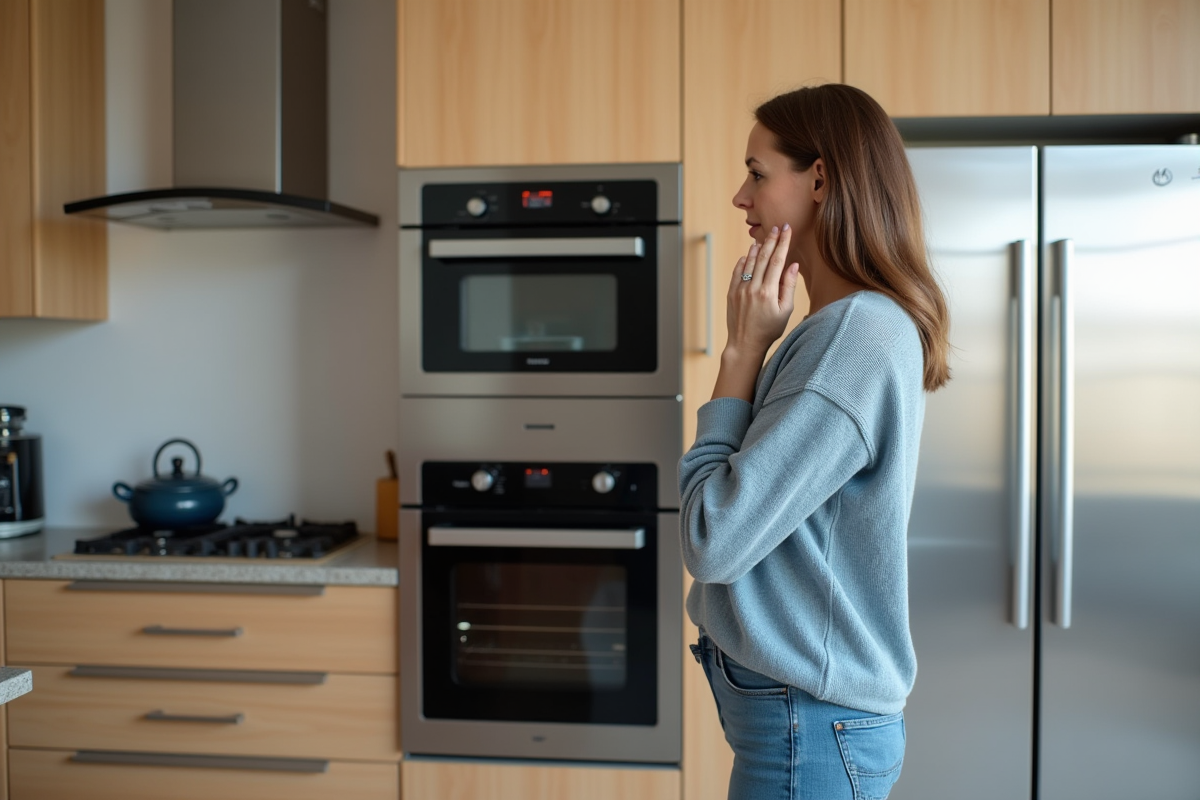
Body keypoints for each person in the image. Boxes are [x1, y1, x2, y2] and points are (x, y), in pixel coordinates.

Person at [679, 83, 951, 800]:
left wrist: (740, 354)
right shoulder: (845, 330)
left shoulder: (850, 337)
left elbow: (714, 536)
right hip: (812, 718)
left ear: (821, 179)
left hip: (811, 721)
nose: (741, 196)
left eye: (757, 173)